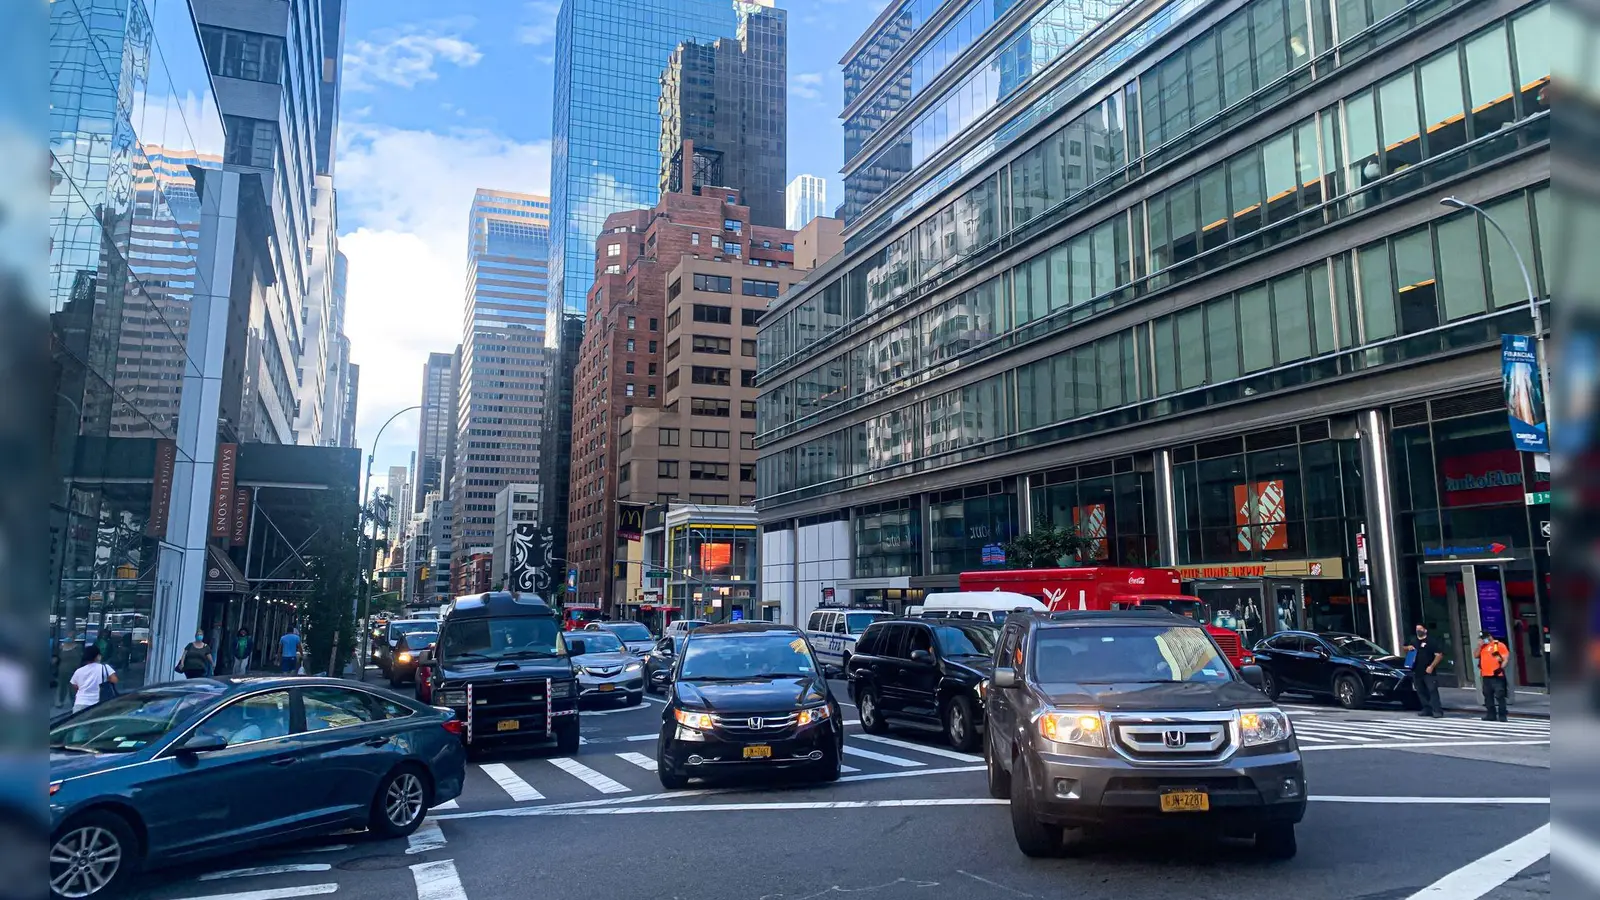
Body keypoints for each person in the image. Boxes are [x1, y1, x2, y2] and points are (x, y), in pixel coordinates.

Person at [1404, 623, 1445, 718]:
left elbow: (1439, 655)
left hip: (1428, 670)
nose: (1418, 630)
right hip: (1416, 670)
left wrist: (1431, 666)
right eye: (1417, 629)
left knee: (1432, 690)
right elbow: (1404, 647)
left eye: (1420, 629)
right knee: (1421, 690)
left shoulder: (1431, 641)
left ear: (1425, 630)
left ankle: (1437, 710)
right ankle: (1427, 709)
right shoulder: (1413, 640)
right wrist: (1407, 648)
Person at [68, 645, 117, 712]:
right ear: (98, 656)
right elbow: (114, 680)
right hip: (98, 703)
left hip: (80, 703)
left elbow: (74, 685)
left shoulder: (79, 671)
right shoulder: (105, 667)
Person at [1477, 631, 1511, 722]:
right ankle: (1491, 714)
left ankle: (1502, 715)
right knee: (1487, 696)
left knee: (1500, 695)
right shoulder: (1483, 647)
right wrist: (1479, 646)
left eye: (1484, 638)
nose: (1483, 640)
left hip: (1496, 675)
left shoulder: (1498, 645)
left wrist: (1501, 668)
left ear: (1489, 636)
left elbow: (1505, 658)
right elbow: (1476, 655)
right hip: (1486, 675)